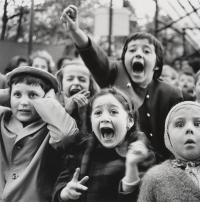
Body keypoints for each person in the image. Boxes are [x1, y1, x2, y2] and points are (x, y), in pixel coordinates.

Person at [60, 5, 183, 162]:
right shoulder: (114, 74)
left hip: (160, 167)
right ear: (124, 59)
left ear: (157, 64)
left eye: (146, 51)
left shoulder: (171, 94)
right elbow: (95, 58)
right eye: (132, 50)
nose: (138, 53)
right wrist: (75, 31)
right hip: (116, 164)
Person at [53, 88, 155, 202]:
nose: (104, 118)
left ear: (130, 121)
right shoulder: (81, 148)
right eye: (98, 113)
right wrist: (65, 193)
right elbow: (61, 183)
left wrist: (131, 166)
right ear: (91, 123)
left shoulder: (140, 152)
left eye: (113, 112)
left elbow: (141, 197)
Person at [0, 66, 78, 202]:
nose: (24, 102)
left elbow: (66, 136)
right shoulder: (3, 117)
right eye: (17, 95)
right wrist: (6, 94)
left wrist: (50, 102)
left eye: (33, 95)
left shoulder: (51, 125)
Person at [138, 101, 200, 201]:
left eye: (198, 124)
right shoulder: (154, 177)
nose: (189, 129)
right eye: (179, 124)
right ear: (168, 135)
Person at [56, 61, 99, 135]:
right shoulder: (53, 105)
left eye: (82, 80)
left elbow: (88, 142)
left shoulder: (96, 107)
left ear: (90, 85)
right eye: (70, 79)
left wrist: (83, 114)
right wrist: (66, 112)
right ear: (61, 83)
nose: (76, 82)